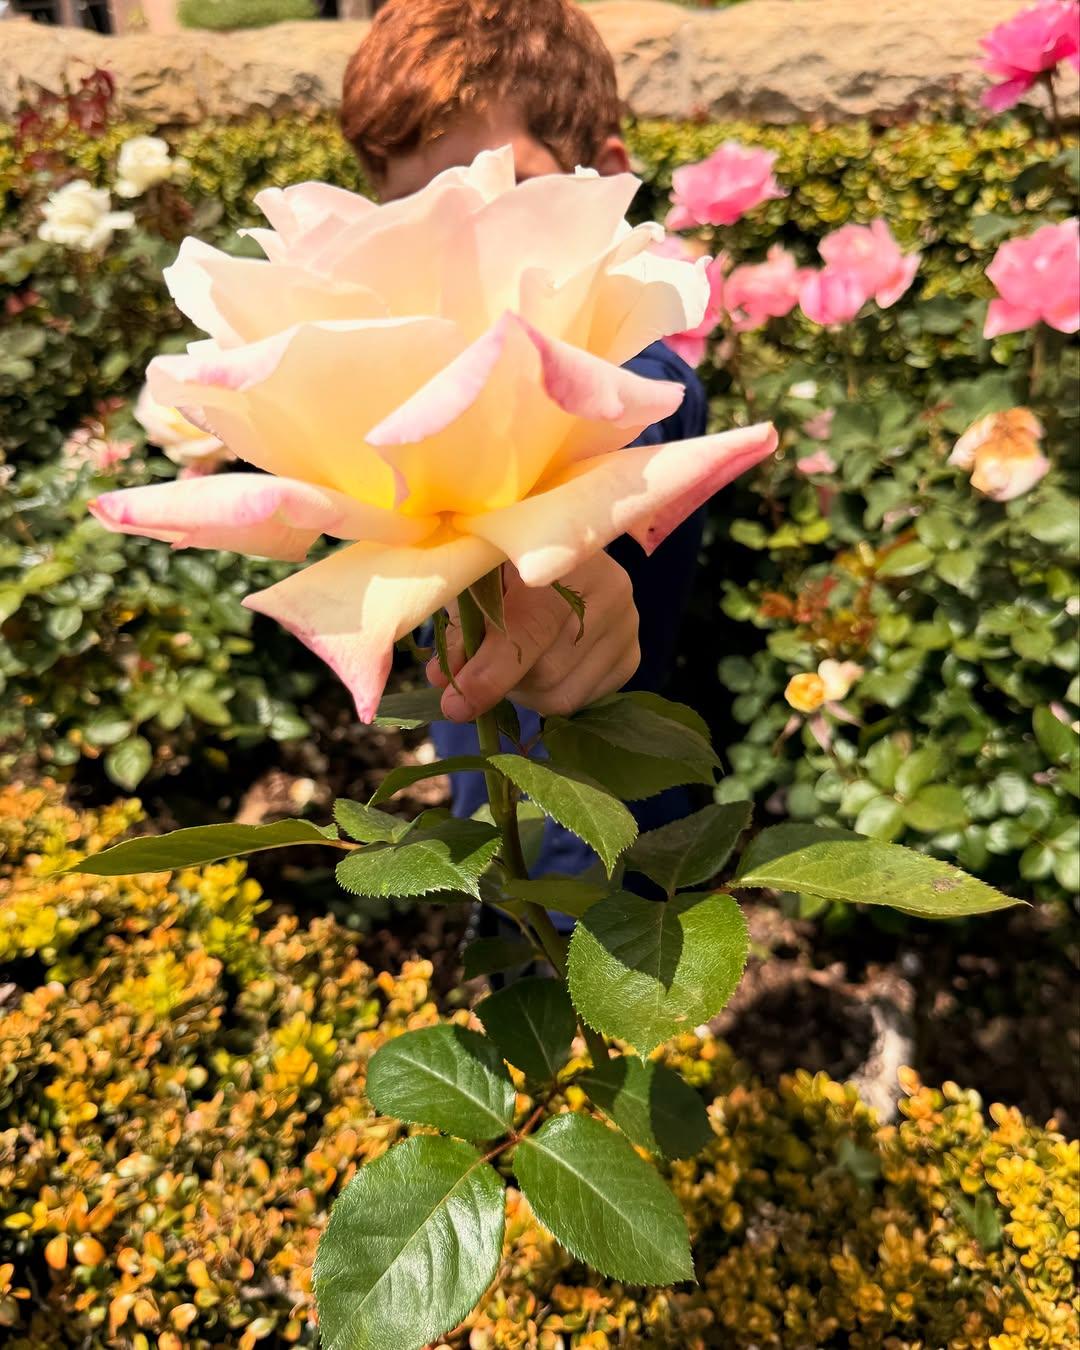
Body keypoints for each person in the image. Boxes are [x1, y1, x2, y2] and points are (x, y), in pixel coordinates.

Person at [339, 0, 708, 883]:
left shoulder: (646, 372)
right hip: (488, 789)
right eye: (411, 213)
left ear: (603, 183)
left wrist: (563, 567)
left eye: (485, 193)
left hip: (609, 811)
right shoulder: (403, 377)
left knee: (606, 974)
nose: (451, 246)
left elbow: (623, 430)